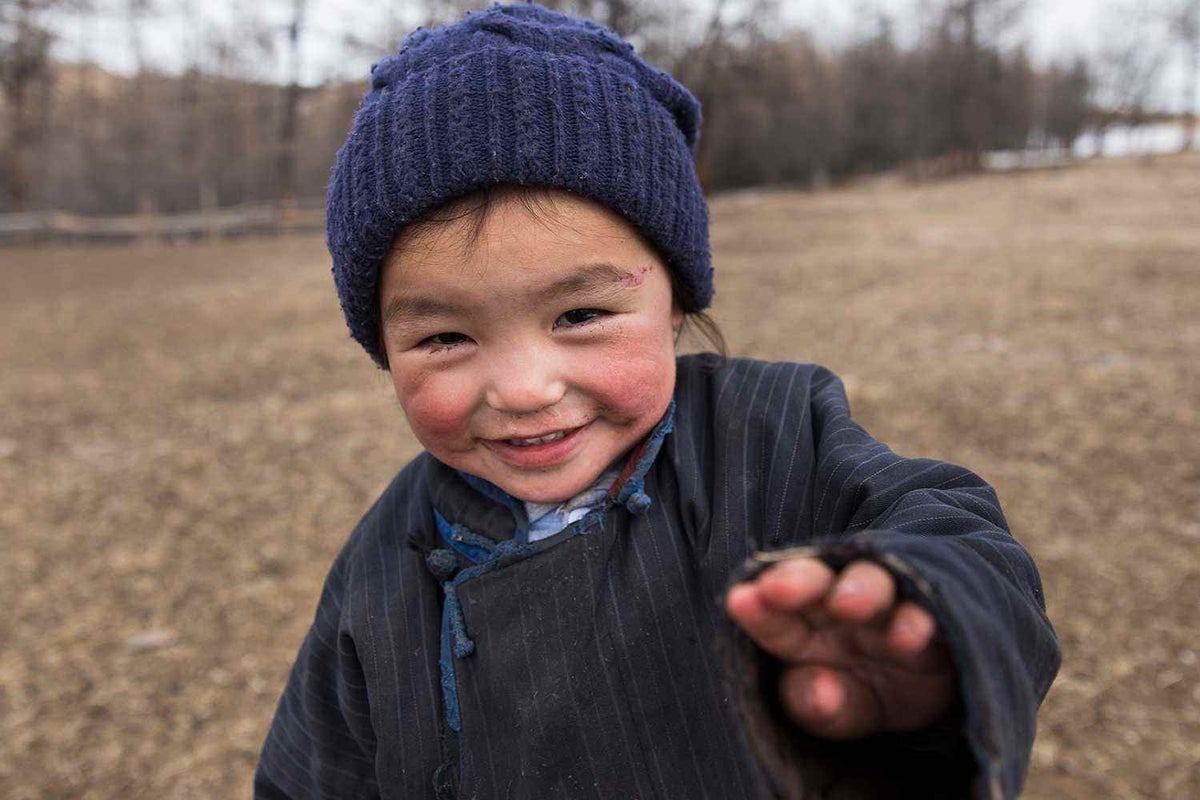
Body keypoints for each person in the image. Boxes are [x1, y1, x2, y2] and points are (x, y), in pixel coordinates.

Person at [255, 3, 1060, 798]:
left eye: (580, 316)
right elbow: (310, 775)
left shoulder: (775, 436)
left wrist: (928, 627)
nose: (525, 389)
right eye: (444, 339)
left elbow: (961, 533)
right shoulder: (384, 560)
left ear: (674, 301)